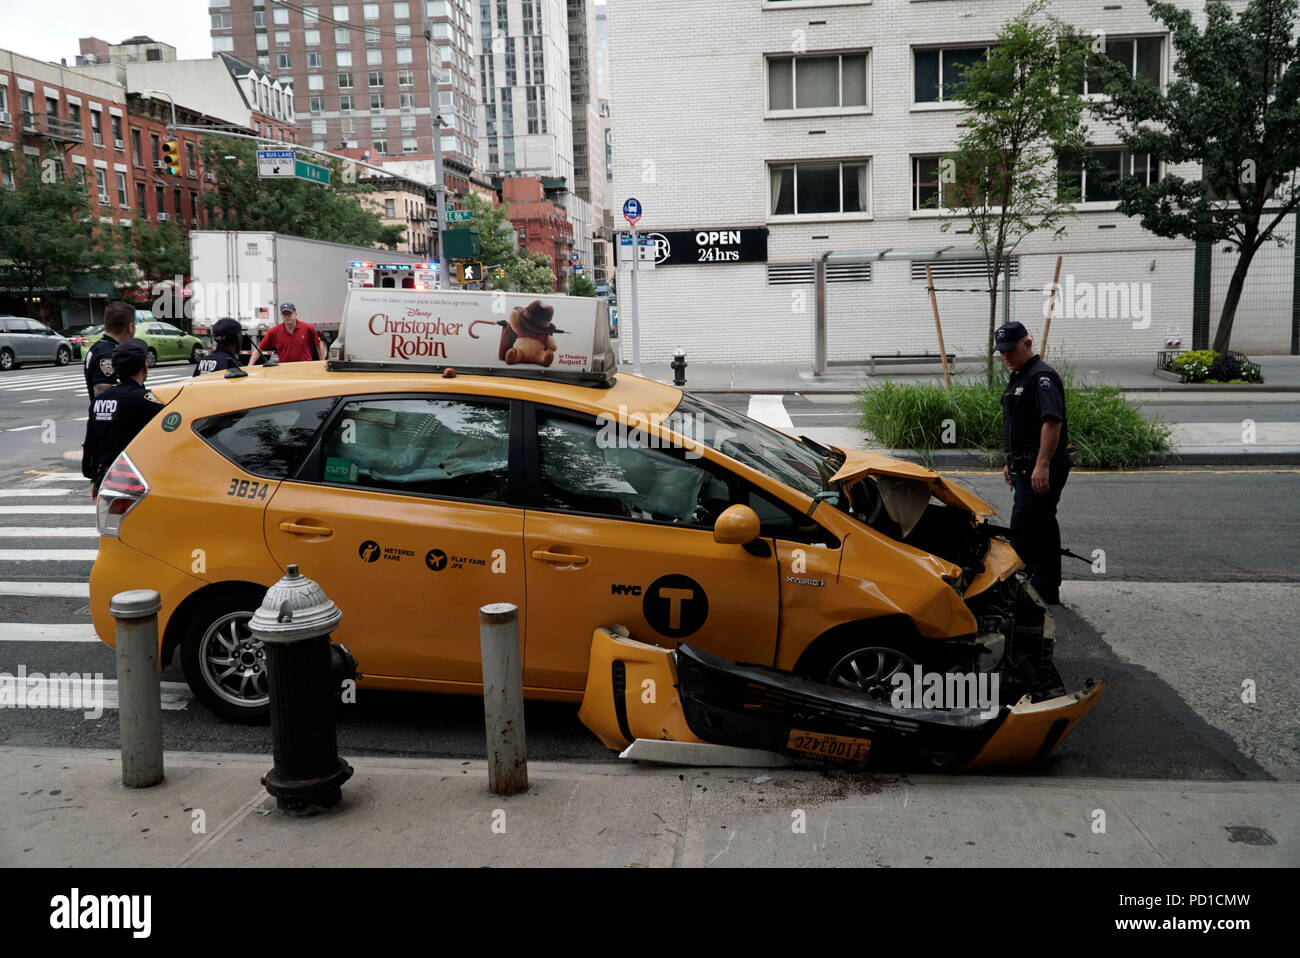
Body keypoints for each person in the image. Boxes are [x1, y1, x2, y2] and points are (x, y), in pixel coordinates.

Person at [996, 321, 1070, 605]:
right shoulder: (1020, 375)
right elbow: (1018, 425)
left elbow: (1051, 422)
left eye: (1011, 350)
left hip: (1040, 466)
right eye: (1001, 352)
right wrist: (1010, 462)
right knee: (1043, 525)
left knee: (1023, 530)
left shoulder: (1042, 378)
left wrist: (1042, 465)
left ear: (1027, 344)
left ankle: (1016, 595)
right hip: (1025, 465)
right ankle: (1047, 588)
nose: (1006, 356)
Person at [85, 340, 164, 496]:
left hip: (106, 478)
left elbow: (91, 442)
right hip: (136, 480)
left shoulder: (100, 400)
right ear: (145, 368)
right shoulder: (144, 399)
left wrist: (94, 478)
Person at [84, 301, 137, 399]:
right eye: (135, 324)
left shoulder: (99, 347)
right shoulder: (108, 354)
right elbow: (103, 394)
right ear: (130, 327)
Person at [249, 303, 323, 364]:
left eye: (289, 314)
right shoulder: (274, 331)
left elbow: (319, 344)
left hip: (305, 368)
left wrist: (322, 363)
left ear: (295, 314)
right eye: (284, 315)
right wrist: (250, 367)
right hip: (285, 370)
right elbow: (258, 350)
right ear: (281, 316)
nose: (287, 317)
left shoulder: (307, 328)